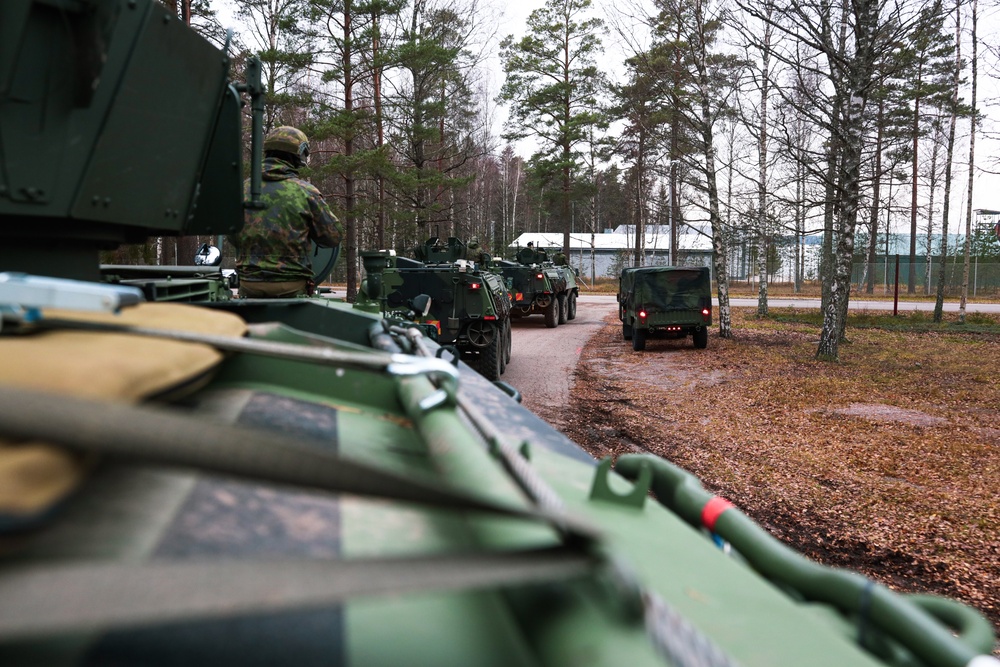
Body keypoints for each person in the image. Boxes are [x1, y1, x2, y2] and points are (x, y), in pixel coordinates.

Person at [230, 126, 343, 298]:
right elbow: (333, 237)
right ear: (299, 154)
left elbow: (231, 234)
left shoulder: (241, 189)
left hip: (249, 284)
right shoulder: (305, 192)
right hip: (291, 287)